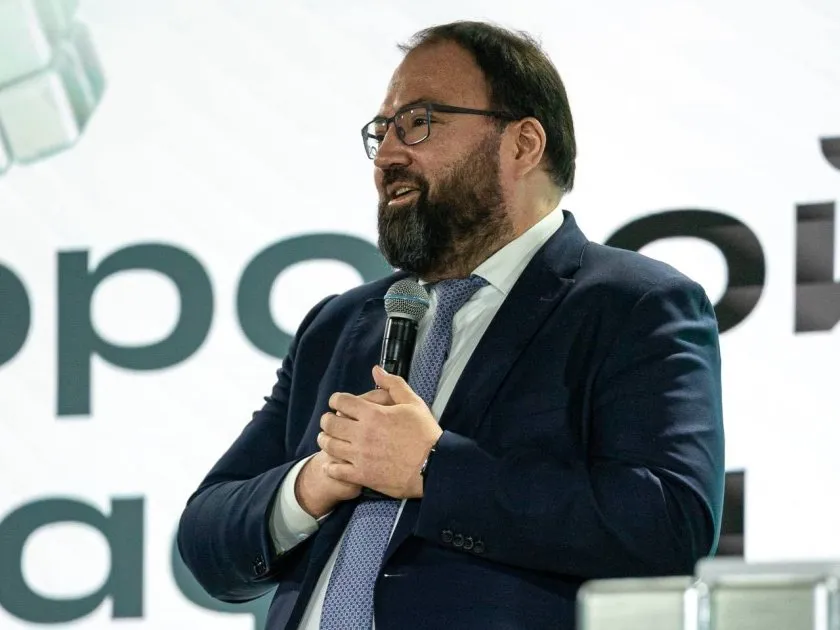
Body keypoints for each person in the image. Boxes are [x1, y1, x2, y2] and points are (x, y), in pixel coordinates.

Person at [177, 20, 725, 630]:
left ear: (522, 144)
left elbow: (668, 527)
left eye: (419, 122)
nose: (388, 155)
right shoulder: (338, 326)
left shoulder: (633, 305)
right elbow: (205, 536)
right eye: (382, 131)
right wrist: (310, 484)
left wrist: (433, 468)